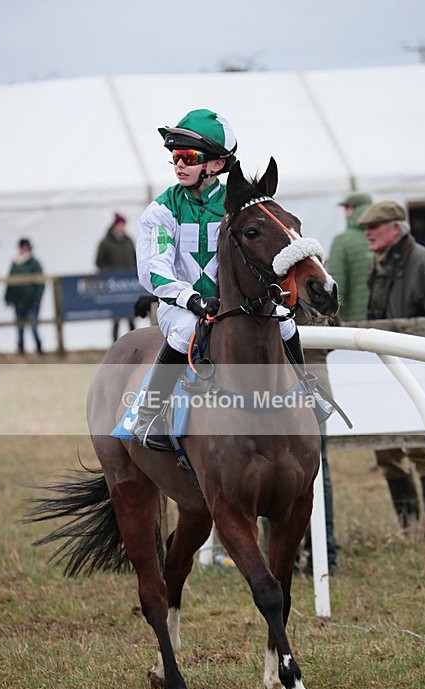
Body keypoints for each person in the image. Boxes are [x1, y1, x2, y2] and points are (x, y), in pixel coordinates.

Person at [132, 108, 313, 450]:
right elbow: (154, 270)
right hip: (182, 306)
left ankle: (306, 391)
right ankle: (151, 412)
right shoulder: (161, 211)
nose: (179, 164)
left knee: (285, 325)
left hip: (236, 304)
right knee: (186, 330)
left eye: (188, 156)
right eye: (175, 157)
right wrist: (191, 299)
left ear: (216, 165)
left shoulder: (238, 207)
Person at [358, 199, 425, 527]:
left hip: (418, 372)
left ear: (395, 228)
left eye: (373, 227)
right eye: (365, 228)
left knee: (421, 448)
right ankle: (411, 527)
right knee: (386, 450)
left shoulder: (423, 262)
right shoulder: (379, 262)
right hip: (386, 371)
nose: (367, 234)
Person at [327, 191, 373, 321]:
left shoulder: (342, 241)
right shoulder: (384, 237)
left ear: (354, 209)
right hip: (389, 320)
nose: (344, 213)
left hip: (356, 321)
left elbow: (337, 286)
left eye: (347, 208)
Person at [95, 212, 138, 342]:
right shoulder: (105, 243)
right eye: (120, 225)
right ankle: (114, 343)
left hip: (129, 285)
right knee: (116, 318)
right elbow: (99, 262)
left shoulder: (128, 241)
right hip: (114, 286)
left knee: (131, 317)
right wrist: (109, 275)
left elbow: (135, 259)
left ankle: (134, 343)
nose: (122, 228)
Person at [4, 238, 45, 355]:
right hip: (18, 301)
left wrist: (37, 298)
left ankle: (39, 347)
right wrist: (8, 297)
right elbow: (10, 281)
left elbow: (40, 283)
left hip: (31, 301)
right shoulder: (15, 263)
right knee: (19, 326)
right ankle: (21, 348)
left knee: (33, 325)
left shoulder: (34, 263)